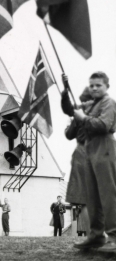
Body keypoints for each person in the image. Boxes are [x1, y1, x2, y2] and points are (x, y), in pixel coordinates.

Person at [71, 72, 116, 252]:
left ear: (107, 87)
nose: (94, 88)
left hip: (104, 145)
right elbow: (73, 131)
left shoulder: (108, 102)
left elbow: (104, 124)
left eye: (98, 85)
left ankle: (114, 236)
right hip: (90, 148)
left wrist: (83, 118)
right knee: (92, 195)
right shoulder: (92, 105)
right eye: (92, 85)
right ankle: (96, 235)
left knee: (108, 193)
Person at [61, 82, 92, 236]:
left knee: (84, 199)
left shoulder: (81, 112)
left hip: (82, 155)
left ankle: (94, 235)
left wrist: (65, 90)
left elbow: (69, 134)